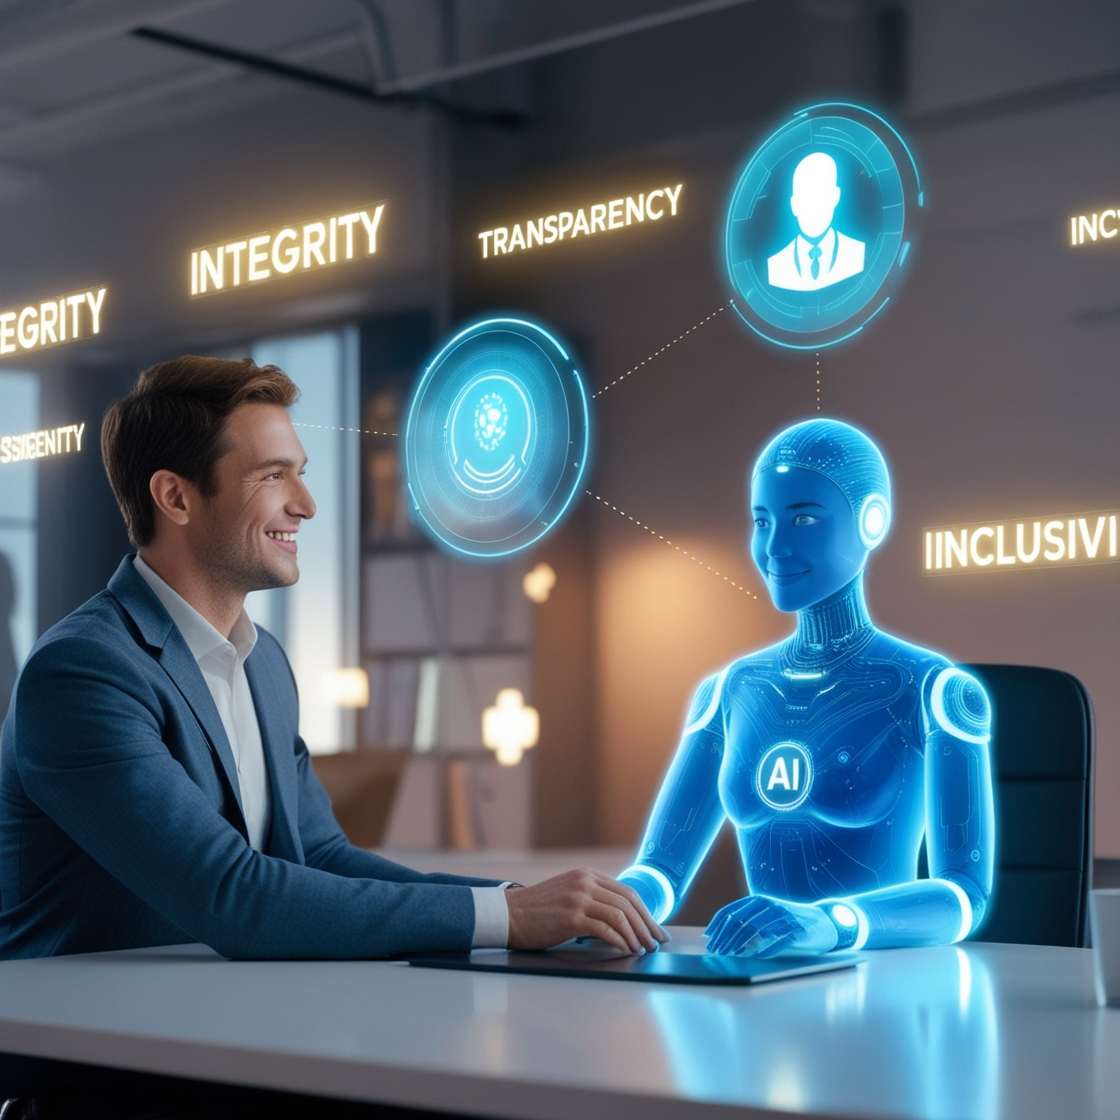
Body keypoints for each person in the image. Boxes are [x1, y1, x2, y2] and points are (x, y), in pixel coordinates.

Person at [0, 355, 665, 963]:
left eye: (302, 474)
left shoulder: (264, 665)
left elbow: (319, 857)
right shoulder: (85, 673)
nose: (307, 505)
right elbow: (232, 898)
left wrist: (523, 901)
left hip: (213, 1025)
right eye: (272, 476)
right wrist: (508, 915)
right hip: (83, 1057)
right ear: (175, 497)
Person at [618, 418, 995, 957]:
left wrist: (832, 923)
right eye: (761, 520)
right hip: (762, 992)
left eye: (804, 519)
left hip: (884, 995)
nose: (775, 547)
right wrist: (612, 908)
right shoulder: (730, 690)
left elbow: (965, 896)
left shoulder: (933, 689)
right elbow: (660, 870)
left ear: (872, 520)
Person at [766, 152, 865, 292]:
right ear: (793, 204)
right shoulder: (776, 264)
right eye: (805, 195)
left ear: (836, 196)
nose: (813, 205)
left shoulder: (857, 252)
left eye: (821, 193)